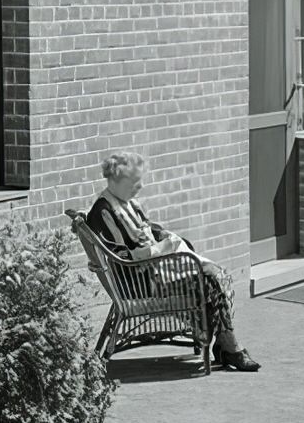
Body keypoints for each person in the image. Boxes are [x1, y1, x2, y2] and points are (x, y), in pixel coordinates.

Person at [87, 151, 261, 372]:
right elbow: (121, 258)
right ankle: (229, 348)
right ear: (115, 180)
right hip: (138, 284)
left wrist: (165, 238)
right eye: (135, 182)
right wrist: (157, 249)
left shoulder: (127, 203)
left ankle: (227, 344)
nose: (140, 187)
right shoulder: (103, 212)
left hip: (150, 274)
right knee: (207, 280)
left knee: (207, 277)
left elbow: (148, 230)